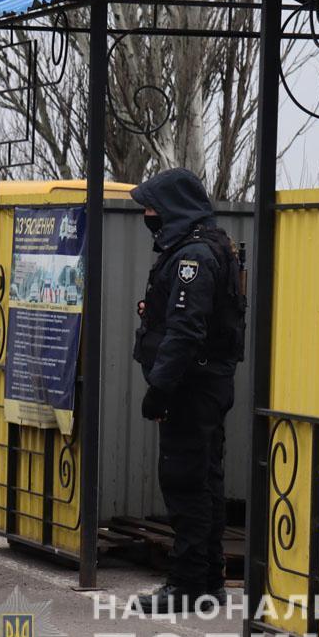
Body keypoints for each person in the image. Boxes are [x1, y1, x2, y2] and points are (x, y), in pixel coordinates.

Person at [130, 168, 246, 613]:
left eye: (153, 207)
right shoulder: (209, 246)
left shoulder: (193, 257)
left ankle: (184, 587)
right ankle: (208, 581)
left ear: (173, 209)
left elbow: (185, 330)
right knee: (205, 481)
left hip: (190, 388)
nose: (147, 215)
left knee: (185, 482)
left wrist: (159, 389)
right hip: (206, 384)